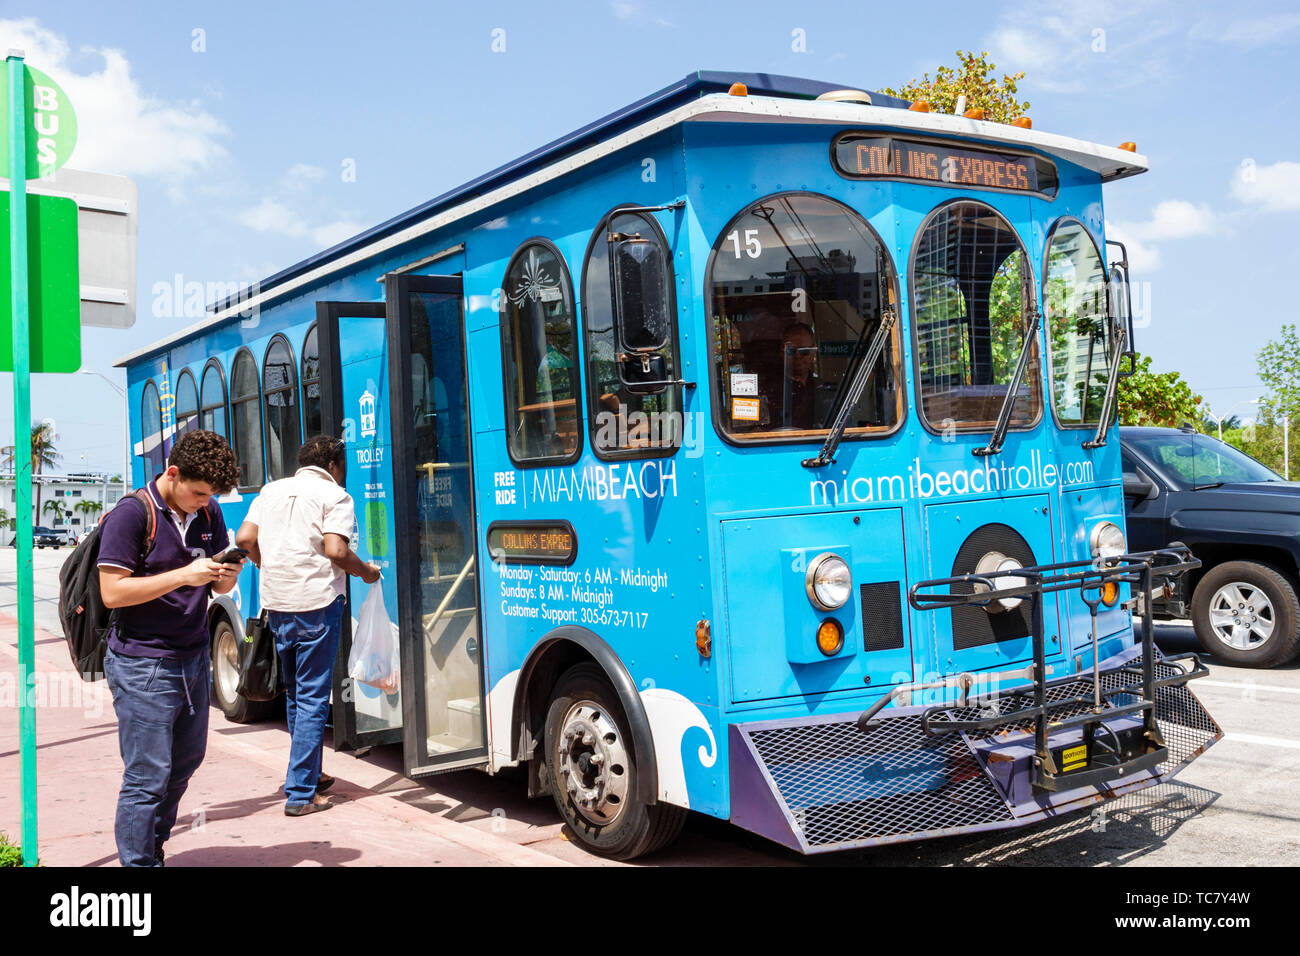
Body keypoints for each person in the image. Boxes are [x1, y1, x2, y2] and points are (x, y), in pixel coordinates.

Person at [98, 429, 242, 867]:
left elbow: (219, 587)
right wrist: (184, 575)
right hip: (142, 662)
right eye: (198, 493)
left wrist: (226, 573)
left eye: (210, 495)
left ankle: (153, 847)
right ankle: (138, 864)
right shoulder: (132, 514)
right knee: (147, 776)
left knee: (185, 763)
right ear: (173, 473)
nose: (204, 503)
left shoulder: (208, 511)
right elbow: (112, 593)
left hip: (193, 655)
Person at [236, 436, 380, 816]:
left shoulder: (271, 490)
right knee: (314, 697)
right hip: (316, 604)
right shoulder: (336, 496)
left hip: (278, 603)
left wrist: (264, 562)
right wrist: (365, 572)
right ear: (333, 464)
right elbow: (336, 550)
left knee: (297, 694)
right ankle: (301, 794)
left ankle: (309, 773)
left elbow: (244, 538)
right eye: (343, 464)